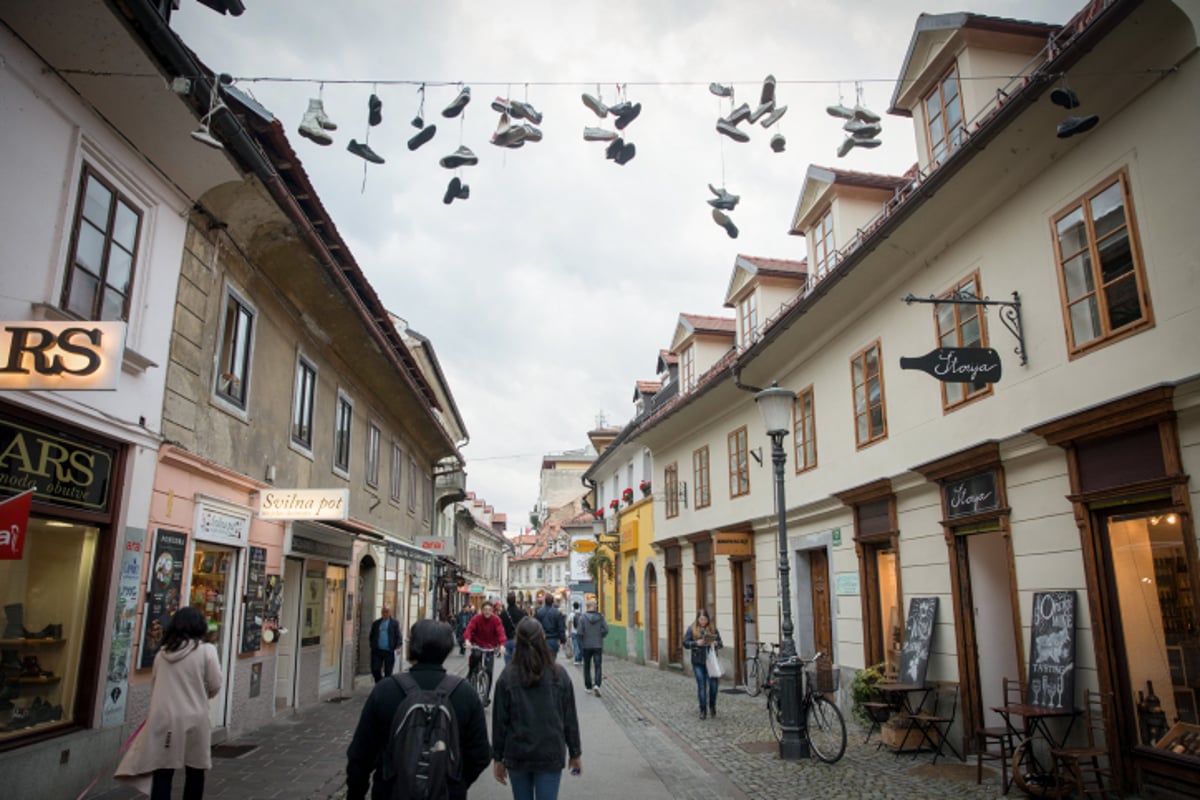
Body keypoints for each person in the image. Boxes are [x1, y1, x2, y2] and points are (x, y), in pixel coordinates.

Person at [346, 619, 490, 800]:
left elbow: (360, 754)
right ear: (447, 649)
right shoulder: (464, 693)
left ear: (413, 646)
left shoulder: (386, 690)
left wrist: (355, 793)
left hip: (391, 791)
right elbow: (481, 754)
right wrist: (455, 781)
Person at [114, 606, 222, 800]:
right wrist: (201, 694)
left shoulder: (161, 654)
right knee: (195, 770)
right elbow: (215, 684)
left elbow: (156, 685)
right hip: (194, 718)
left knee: (163, 770)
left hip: (164, 718)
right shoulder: (207, 651)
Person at [491, 617, 582, 800]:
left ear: (517, 641)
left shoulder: (508, 676)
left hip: (518, 752)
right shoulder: (558, 674)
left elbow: (500, 721)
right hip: (550, 752)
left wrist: (498, 758)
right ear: (542, 638)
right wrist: (575, 752)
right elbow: (569, 717)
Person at [683, 608, 723, 719]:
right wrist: (696, 643)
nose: (703, 621)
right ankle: (703, 709)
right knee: (702, 686)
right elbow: (685, 643)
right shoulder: (692, 629)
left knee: (714, 686)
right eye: (701, 619)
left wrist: (716, 643)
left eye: (705, 619)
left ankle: (712, 705)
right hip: (698, 661)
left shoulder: (713, 629)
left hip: (711, 662)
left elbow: (721, 643)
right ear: (698, 619)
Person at [463, 600, 506, 705]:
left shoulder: (496, 620)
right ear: (481, 610)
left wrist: (502, 645)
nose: (487, 612)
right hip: (477, 644)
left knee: (489, 671)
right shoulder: (476, 618)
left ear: (492, 611)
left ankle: (486, 696)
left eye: (489, 610)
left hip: (490, 646)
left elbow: (501, 632)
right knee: (476, 655)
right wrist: (467, 640)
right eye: (485, 610)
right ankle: (471, 673)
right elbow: (469, 629)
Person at [575, 598, 608, 697]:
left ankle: (588, 686)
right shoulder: (600, 617)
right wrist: (599, 635)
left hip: (586, 645)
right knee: (598, 665)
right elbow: (606, 629)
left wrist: (582, 641)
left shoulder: (582, 618)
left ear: (587, 606)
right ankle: (597, 684)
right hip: (598, 645)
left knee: (587, 666)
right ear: (595, 606)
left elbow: (579, 633)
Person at [368, 605, 402, 683]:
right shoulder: (376, 623)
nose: (384, 614)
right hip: (377, 651)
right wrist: (372, 645)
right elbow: (371, 635)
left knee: (388, 671)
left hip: (389, 651)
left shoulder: (394, 623)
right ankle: (379, 683)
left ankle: (386, 686)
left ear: (390, 613)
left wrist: (398, 647)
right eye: (383, 612)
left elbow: (398, 636)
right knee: (375, 669)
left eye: (386, 612)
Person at [499, 593, 527, 665]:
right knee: (518, 664)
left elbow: (500, 628)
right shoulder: (521, 613)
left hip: (507, 640)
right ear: (515, 601)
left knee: (508, 665)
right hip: (518, 641)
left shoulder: (503, 614)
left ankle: (509, 675)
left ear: (507, 601)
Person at [566, 602, 583, 666]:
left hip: (574, 632)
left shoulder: (571, 614)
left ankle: (576, 660)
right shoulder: (581, 614)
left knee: (576, 646)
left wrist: (569, 633)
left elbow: (569, 624)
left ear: (573, 606)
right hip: (580, 633)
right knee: (581, 646)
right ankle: (580, 659)